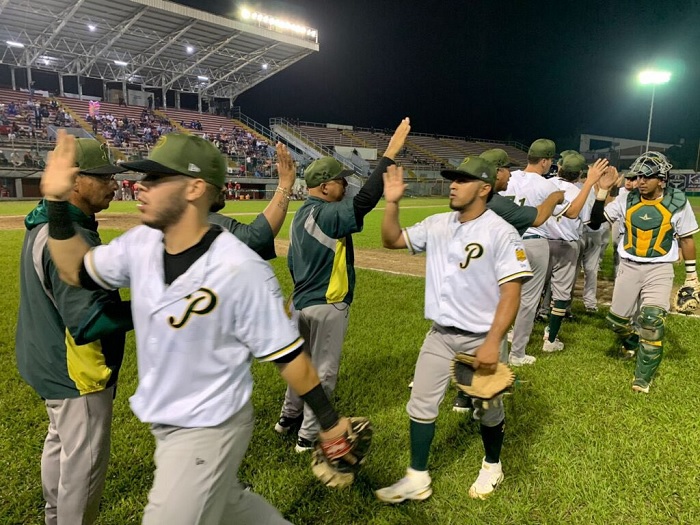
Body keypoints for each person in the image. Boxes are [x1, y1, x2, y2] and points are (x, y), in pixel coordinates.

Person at [41, 130, 363, 524]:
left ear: (194, 188)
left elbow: (289, 355)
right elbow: (74, 268)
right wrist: (57, 204)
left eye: (155, 179)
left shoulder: (239, 268)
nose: (138, 186)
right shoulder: (140, 243)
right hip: (169, 426)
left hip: (210, 429)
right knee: (232, 508)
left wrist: (329, 424)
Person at [375, 157, 532, 503]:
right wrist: (392, 202)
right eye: (453, 179)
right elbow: (391, 240)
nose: (453, 184)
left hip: (481, 338)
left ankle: (492, 465)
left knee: (489, 407)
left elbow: (512, 292)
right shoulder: (438, 223)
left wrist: (493, 342)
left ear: (485, 188)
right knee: (420, 404)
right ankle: (417, 477)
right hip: (440, 335)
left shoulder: (500, 232)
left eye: (463, 179)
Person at [276, 118, 411, 451]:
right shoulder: (324, 213)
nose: (345, 187)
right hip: (327, 303)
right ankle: (308, 436)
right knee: (322, 372)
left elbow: (293, 263)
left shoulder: (301, 215)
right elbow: (364, 202)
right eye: (340, 182)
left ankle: (288, 418)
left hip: (301, 303)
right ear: (325, 187)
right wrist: (390, 152)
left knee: (300, 366)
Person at [15, 138, 132, 525]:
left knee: (60, 445)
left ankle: (53, 517)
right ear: (76, 182)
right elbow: (89, 322)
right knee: (83, 467)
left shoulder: (47, 220)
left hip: (47, 361)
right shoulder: (68, 236)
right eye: (103, 177)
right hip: (75, 371)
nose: (114, 184)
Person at [449, 148, 565, 413]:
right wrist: (554, 197)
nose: (509, 176)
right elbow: (537, 217)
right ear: (495, 172)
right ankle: (484, 403)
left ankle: (461, 396)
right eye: (505, 170)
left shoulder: (465, 198)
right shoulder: (493, 200)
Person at [588, 151, 699, 393]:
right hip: (628, 266)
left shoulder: (677, 201)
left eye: (646, 178)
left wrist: (692, 276)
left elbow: (687, 239)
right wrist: (602, 192)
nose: (640, 182)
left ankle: (642, 379)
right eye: (638, 177)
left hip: (659, 268)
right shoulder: (627, 199)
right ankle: (632, 339)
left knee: (651, 320)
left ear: (661, 179)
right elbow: (595, 222)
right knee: (616, 321)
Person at [499, 139, 605, 366]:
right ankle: (517, 354)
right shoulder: (546, 185)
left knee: (502, 295)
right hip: (533, 242)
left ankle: (499, 338)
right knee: (529, 299)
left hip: (503, 241)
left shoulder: (510, 177)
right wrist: (590, 184)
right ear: (546, 161)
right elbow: (574, 212)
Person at [539, 152, 605, 352]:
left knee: (529, 290)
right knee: (561, 293)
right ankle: (550, 339)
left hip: (540, 242)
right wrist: (602, 191)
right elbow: (592, 225)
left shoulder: (545, 184)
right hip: (567, 246)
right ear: (579, 174)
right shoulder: (581, 192)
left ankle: (516, 331)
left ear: (559, 168)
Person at [207, 142, 296, 260]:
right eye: (216, 181)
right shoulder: (199, 220)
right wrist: (285, 182)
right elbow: (255, 238)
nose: (224, 188)